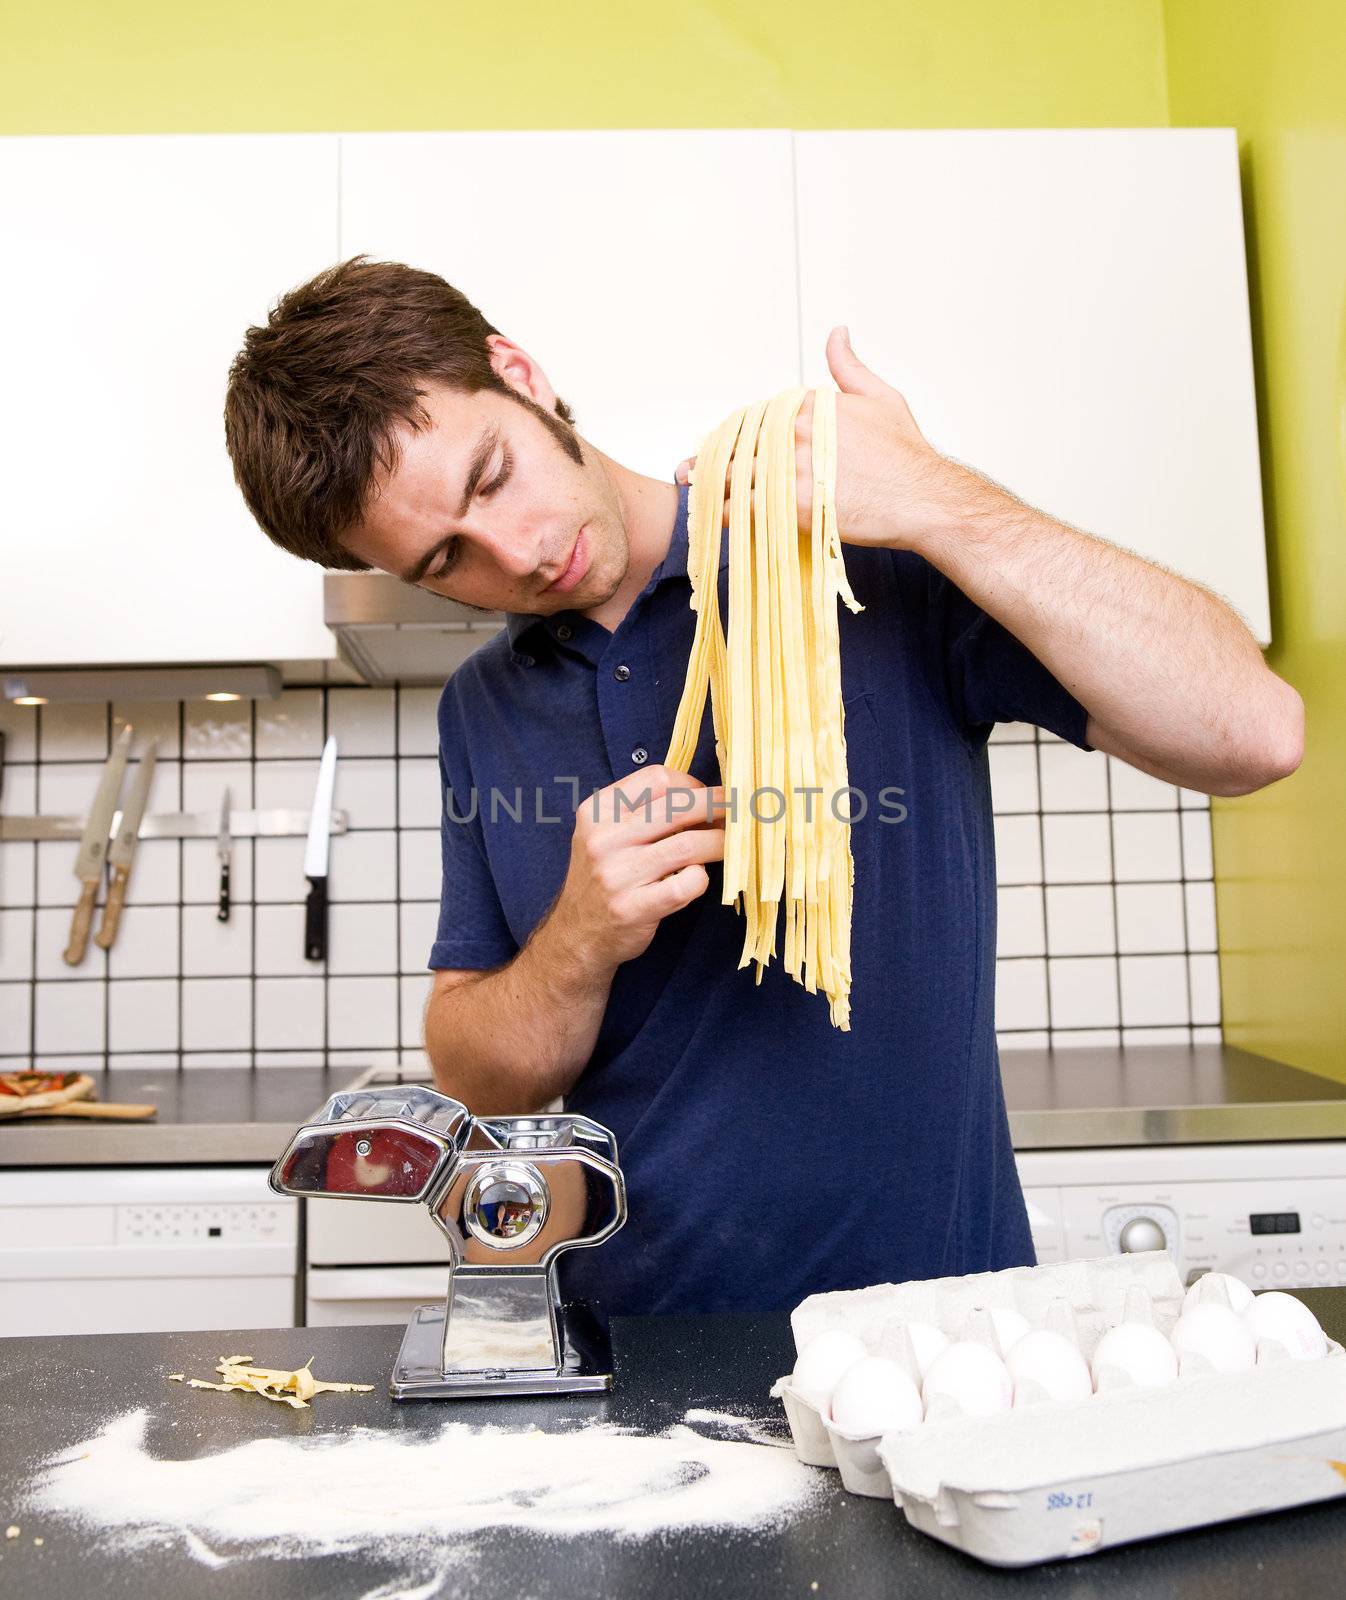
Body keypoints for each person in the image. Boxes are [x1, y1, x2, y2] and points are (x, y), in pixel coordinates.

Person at [224, 257, 1303, 1316]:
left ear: (518, 371)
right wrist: (577, 936)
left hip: (939, 1322)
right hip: (637, 1342)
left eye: (492, 476)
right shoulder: (483, 708)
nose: (514, 554)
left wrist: (939, 502)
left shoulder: (851, 554)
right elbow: (479, 1080)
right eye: (445, 562)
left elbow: (1252, 732)